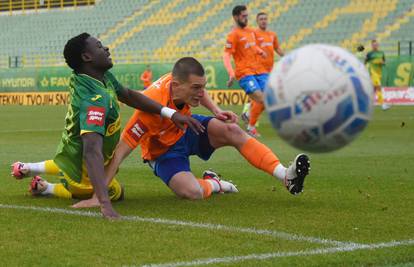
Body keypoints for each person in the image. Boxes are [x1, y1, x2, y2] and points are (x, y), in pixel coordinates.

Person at [72, 57, 310, 209]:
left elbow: (200, 92)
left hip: (186, 128)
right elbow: (121, 152)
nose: (200, 92)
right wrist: (100, 196)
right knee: (191, 192)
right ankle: (215, 183)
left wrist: (216, 110)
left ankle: (286, 177)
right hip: (163, 153)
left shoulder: (182, 85)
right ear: (176, 86)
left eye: (202, 87)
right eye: (195, 88)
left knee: (232, 130)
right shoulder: (147, 111)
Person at [11, 33, 203, 219]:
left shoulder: (99, 77)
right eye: (99, 46)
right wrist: (103, 202)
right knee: (116, 192)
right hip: (81, 172)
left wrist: (171, 113)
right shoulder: (94, 98)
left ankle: (32, 170)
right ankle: (48, 188)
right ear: (87, 57)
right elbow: (92, 150)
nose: (107, 48)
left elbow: (129, 95)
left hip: (71, 156)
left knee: (104, 174)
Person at [223, 5, 268, 138]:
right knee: (262, 98)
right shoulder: (233, 35)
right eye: (243, 16)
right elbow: (226, 55)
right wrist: (231, 73)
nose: (246, 18)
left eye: (247, 16)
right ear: (236, 17)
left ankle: (248, 115)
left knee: (270, 98)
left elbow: (252, 45)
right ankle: (249, 122)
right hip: (244, 74)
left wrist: (260, 51)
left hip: (258, 71)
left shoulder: (250, 31)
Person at [365, 39, 389, 110]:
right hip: (373, 73)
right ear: (372, 45)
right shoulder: (369, 54)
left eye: (376, 44)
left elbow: (384, 61)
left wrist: (383, 63)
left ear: (378, 45)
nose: (375, 46)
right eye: (373, 44)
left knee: (374, 89)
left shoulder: (381, 53)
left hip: (379, 73)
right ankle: (382, 104)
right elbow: (365, 62)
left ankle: (367, 103)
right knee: (378, 87)